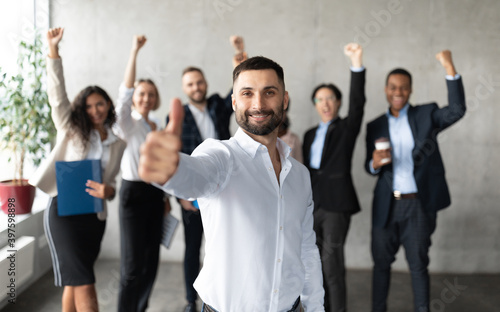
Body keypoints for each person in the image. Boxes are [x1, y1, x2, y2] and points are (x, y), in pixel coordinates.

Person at [139, 56, 325, 312]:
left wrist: (316, 307)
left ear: (284, 100)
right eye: (247, 93)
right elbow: (196, 174)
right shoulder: (222, 156)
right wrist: (173, 171)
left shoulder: (300, 175)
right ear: (234, 101)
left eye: (269, 92)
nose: (258, 104)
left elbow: (306, 249)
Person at [29, 27, 126, 312]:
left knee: (75, 279)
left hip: (93, 217)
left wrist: (110, 191)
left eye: (100, 104)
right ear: (81, 110)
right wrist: (53, 51)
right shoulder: (70, 129)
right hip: (64, 212)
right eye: (89, 106)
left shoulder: (118, 144)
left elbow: (112, 183)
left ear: (108, 105)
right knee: (84, 280)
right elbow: (57, 96)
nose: (95, 110)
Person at [364, 50, 465, 312]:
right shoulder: (374, 126)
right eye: (393, 87)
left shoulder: (426, 115)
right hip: (386, 205)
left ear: (410, 91)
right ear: (386, 89)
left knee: (418, 265)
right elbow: (369, 165)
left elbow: (456, 110)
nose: (398, 92)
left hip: (418, 205)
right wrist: (374, 164)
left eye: (404, 88)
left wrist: (449, 67)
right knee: (381, 265)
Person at [168, 35, 247, 312]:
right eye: (190, 84)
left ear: (206, 83)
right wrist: (181, 196)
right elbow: (174, 158)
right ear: (184, 87)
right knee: (193, 249)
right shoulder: (178, 117)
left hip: (224, 185)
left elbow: (240, 89)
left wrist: (239, 55)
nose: (196, 87)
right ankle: (192, 301)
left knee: (224, 245)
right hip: (193, 191)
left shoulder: (217, 105)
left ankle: (223, 298)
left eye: (199, 82)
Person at [302, 43, 365, 312]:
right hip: (311, 207)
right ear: (315, 105)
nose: (325, 104)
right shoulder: (309, 135)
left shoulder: (346, 129)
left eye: (330, 99)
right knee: (313, 267)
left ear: (337, 103)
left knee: (332, 267)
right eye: (320, 99)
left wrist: (356, 63)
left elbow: (358, 103)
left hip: (337, 207)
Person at [114, 35, 171, 312]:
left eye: (150, 94)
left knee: (151, 262)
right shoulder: (126, 124)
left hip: (155, 194)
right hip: (133, 194)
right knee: (132, 266)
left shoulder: (156, 125)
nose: (146, 98)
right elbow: (124, 93)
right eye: (141, 94)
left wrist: (166, 196)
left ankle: (141, 309)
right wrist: (134, 51)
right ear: (134, 99)